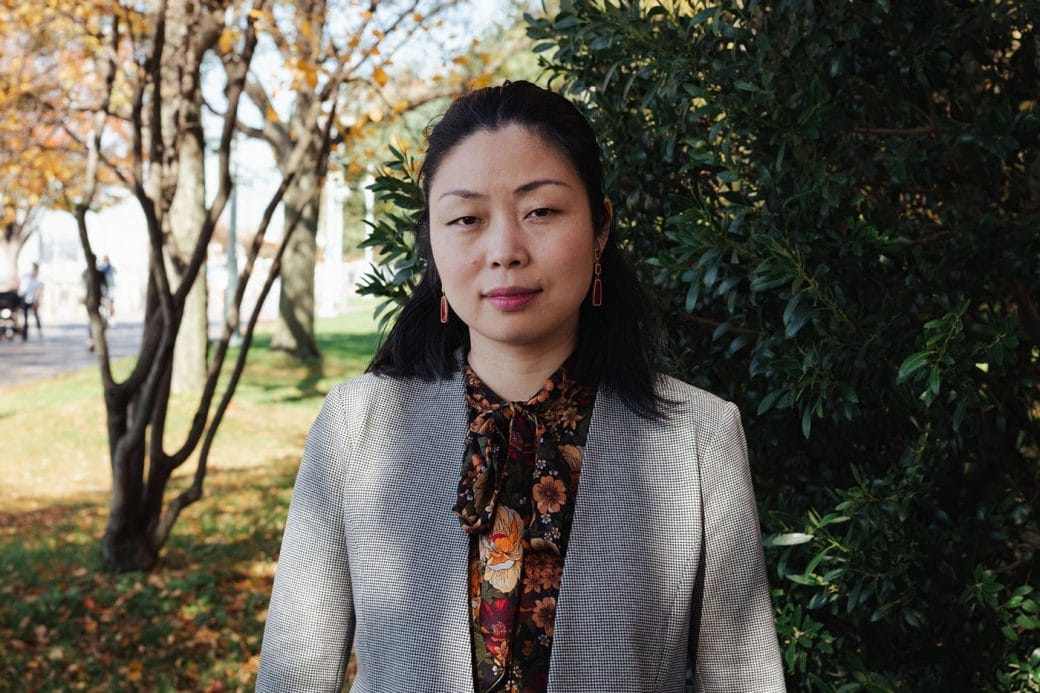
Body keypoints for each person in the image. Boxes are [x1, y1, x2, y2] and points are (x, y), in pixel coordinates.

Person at [257, 81, 784, 692]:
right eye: (466, 219)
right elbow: (293, 676)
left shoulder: (697, 436)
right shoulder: (357, 427)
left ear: (601, 229)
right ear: (431, 241)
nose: (504, 250)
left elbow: (743, 678)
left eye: (540, 211)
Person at [18, 262, 44, 339]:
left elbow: (40, 290)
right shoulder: (26, 276)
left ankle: (39, 331)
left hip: (33, 299)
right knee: (25, 316)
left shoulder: (38, 279)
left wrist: (37, 300)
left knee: (36, 315)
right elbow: (20, 285)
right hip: (25, 298)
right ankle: (25, 333)